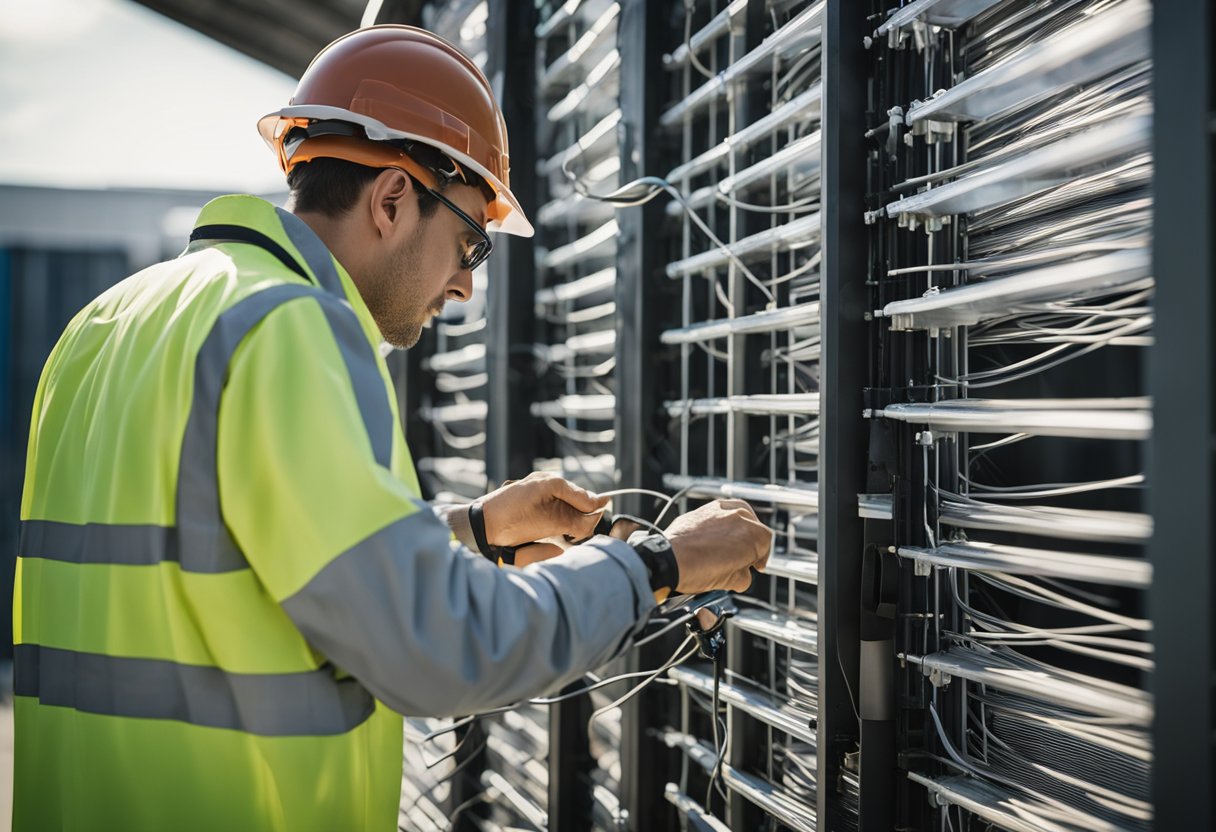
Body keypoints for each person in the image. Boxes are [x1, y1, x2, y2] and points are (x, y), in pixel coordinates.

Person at [11, 24, 772, 832]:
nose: (466, 289)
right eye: (471, 244)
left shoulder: (106, 324)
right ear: (392, 199)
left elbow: (211, 552)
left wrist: (467, 532)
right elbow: (438, 647)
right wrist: (659, 561)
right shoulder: (287, 328)